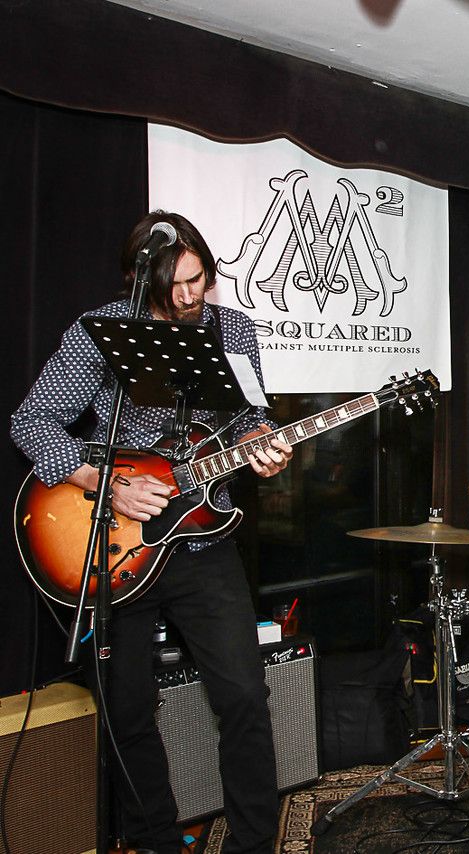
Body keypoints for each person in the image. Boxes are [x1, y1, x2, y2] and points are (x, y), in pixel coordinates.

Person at [11, 211, 293, 854]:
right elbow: (32, 421)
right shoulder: (100, 331)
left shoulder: (232, 329)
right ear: (143, 281)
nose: (191, 296)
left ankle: (252, 843)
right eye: (177, 285)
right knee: (128, 710)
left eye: (199, 279)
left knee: (245, 697)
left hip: (202, 540)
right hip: (117, 546)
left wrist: (261, 442)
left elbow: (250, 414)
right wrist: (107, 483)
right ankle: (154, 840)